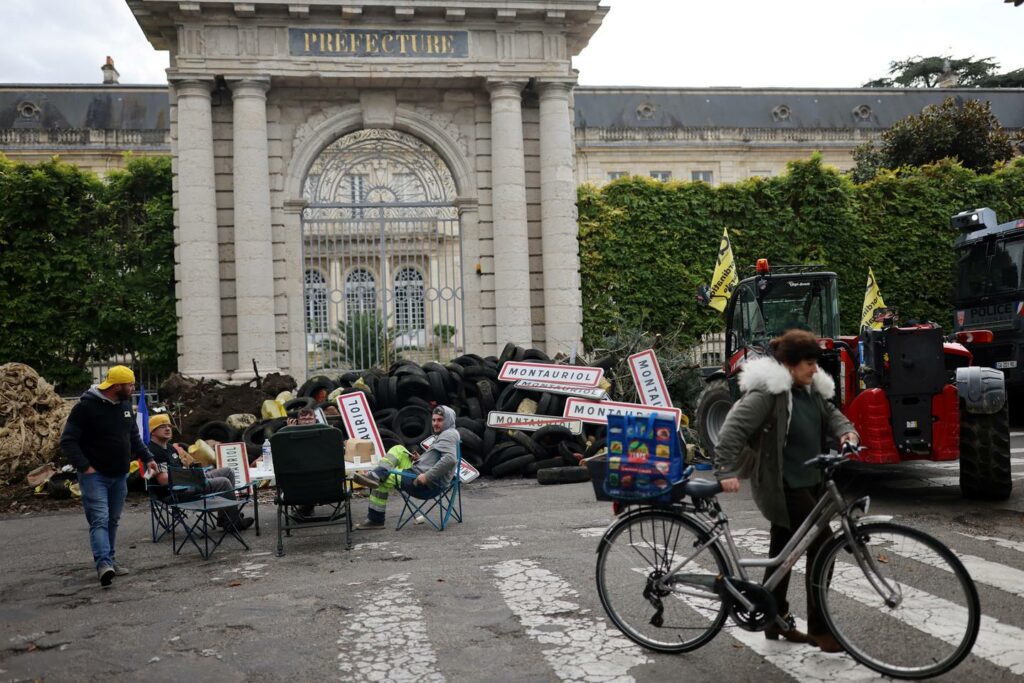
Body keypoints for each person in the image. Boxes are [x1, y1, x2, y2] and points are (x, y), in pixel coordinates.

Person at [713, 329, 859, 653]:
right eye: (808, 363)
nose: (814, 369)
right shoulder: (770, 393)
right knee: (824, 548)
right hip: (783, 486)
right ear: (790, 365)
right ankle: (821, 630)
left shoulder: (810, 391)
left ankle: (772, 618)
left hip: (809, 483)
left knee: (783, 553)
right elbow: (733, 428)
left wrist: (847, 432)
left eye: (814, 363)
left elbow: (832, 415)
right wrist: (725, 471)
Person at [60, 366, 158, 587]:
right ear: (116, 386)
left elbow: (133, 435)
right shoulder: (85, 408)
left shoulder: (124, 406)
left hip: (120, 474)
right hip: (95, 476)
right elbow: (68, 440)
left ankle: (111, 560)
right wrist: (85, 467)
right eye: (130, 385)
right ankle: (104, 564)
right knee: (100, 519)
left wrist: (148, 458)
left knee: (113, 519)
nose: (133, 388)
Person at [352, 405, 459, 530]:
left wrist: (427, 476)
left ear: (449, 420)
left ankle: (376, 519)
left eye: (440, 420)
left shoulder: (448, 435)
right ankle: (376, 475)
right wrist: (421, 459)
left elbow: (450, 460)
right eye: (434, 420)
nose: (435, 423)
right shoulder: (448, 433)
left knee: (385, 479)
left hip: (425, 484)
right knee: (399, 449)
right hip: (421, 472)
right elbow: (437, 458)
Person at [146, 413, 254, 531]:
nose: (167, 429)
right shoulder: (154, 452)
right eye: (162, 426)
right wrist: (190, 477)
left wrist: (193, 472)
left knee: (227, 472)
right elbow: (163, 480)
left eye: (169, 426)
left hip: (186, 481)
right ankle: (233, 523)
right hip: (175, 492)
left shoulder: (170, 448)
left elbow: (181, 469)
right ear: (153, 431)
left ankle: (225, 518)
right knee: (223, 482)